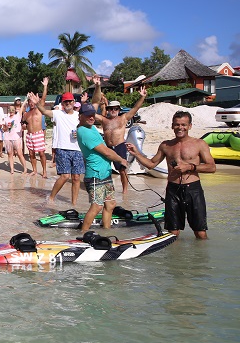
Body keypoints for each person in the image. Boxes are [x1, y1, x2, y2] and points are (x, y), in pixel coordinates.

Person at [126, 110, 216, 239]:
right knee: (172, 232)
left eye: (184, 124)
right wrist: (136, 154)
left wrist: (190, 167)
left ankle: (201, 257)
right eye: (177, 124)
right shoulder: (166, 145)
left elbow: (212, 167)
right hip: (173, 190)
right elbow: (151, 164)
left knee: (200, 232)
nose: (180, 127)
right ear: (172, 125)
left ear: (189, 126)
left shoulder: (199, 144)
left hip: (193, 190)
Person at [89, 76, 147, 194]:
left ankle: (125, 191)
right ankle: (106, 189)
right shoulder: (104, 120)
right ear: (108, 109)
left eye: (116, 108)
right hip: (107, 147)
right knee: (105, 170)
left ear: (119, 109)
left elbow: (135, 108)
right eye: (111, 109)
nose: (113, 110)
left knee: (122, 170)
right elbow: (92, 111)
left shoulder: (123, 118)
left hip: (120, 146)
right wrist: (97, 86)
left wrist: (142, 97)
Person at [75, 103, 129, 231]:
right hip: (95, 175)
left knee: (110, 205)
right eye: (88, 115)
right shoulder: (83, 132)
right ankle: (83, 233)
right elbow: (106, 152)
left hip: (105, 173)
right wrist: (122, 160)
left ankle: (106, 231)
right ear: (81, 116)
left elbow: (95, 100)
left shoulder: (91, 127)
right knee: (97, 206)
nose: (91, 117)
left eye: (93, 115)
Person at [29, 86, 85, 205]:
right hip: (62, 149)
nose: (68, 103)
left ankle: (74, 203)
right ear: (62, 103)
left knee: (76, 178)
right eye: (66, 101)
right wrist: (37, 103)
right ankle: (51, 197)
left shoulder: (79, 115)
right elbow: (44, 111)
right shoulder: (57, 114)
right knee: (65, 176)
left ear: (74, 102)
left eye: (70, 101)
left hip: (77, 149)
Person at [23, 77, 48, 178]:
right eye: (30, 102)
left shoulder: (39, 109)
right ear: (29, 103)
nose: (32, 103)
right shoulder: (26, 113)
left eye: (33, 101)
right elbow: (24, 124)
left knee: (41, 153)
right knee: (31, 154)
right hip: (29, 135)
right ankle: (34, 170)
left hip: (38, 133)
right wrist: (24, 126)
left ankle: (44, 171)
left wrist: (45, 86)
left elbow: (44, 98)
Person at [2, 102, 28, 174]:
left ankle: (25, 169)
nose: (11, 111)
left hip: (16, 138)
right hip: (7, 138)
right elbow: (3, 129)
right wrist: (5, 127)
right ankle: (12, 170)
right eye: (10, 110)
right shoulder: (6, 119)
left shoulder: (17, 116)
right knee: (10, 154)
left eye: (12, 109)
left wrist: (26, 99)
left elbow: (22, 106)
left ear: (15, 110)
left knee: (19, 153)